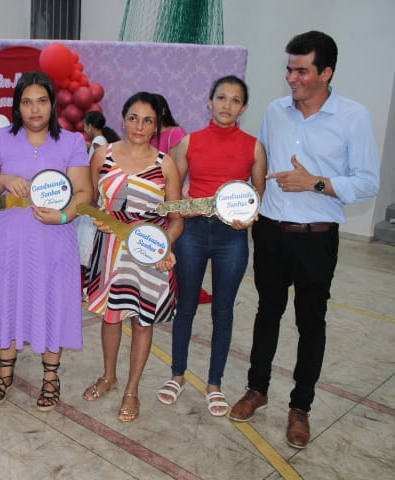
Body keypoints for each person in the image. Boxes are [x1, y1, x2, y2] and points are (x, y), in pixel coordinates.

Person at [229, 31, 380, 449]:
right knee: (266, 312)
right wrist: (245, 202)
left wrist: (315, 183)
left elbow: (368, 182)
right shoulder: (276, 112)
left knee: (311, 323)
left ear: (326, 72)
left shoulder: (354, 117)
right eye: (289, 69)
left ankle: (301, 408)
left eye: (301, 70)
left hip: (316, 238)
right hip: (271, 231)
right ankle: (256, 390)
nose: (291, 78)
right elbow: (260, 168)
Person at [0, 71, 92, 411]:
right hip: (5, 238)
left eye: (42, 101)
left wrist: (65, 215)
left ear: (52, 105)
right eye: (27, 102)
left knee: (52, 301)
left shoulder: (70, 142)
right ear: (17, 106)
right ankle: (5, 371)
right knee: (6, 299)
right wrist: (6, 178)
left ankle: (51, 377)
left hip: (54, 239)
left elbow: (84, 192)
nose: (35, 109)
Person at [156, 76, 266, 416]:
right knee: (186, 306)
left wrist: (248, 217)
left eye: (235, 100)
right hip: (192, 233)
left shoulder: (254, 146)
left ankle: (214, 383)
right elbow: (171, 192)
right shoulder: (189, 142)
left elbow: (257, 195)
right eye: (221, 97)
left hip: (230, 237)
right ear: (209, 101)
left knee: (223, 310)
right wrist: (180, 208)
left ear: (244, 108)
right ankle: (177, 375)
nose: (226, 105)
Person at [82, 92, 183, 422]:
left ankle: (131, 390)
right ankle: (109, 376)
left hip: (147, 256)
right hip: (109, 252)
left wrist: (163, 247)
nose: (139, 126)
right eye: (133, 118)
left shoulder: (165, 164)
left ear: (157, 124)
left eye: (148, 120)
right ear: (122, 119)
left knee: (143, 322)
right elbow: (89, 200)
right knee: (110, 318)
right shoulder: (102, 154)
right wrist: (96, 214)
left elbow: (177, 218)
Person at [151, 93, 213, 305]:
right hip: (149, 192)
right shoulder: (148, 134)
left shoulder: (175, 134)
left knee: (169, 238)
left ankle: (171, 288)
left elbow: (177, 169)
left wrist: (168, 191)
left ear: (163, 111)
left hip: (167, 191)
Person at [76, 111, 120, 268]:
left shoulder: (98, 141)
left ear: (89, 125)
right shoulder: (102, 139)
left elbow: (101, 167)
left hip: (97, 188)